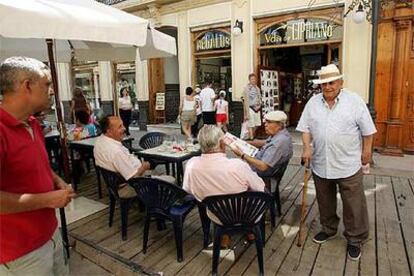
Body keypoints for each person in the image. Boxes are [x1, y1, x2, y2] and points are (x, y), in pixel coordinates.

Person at [0, 56, 75, 275]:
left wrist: (56, 179)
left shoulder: (32, 122)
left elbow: (37, 163)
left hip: (50, 233)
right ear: (27, 85)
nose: (51, 91)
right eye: (47, 84)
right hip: (20, 252)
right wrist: (48, 199)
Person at [296, 64, 376, 261]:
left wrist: (367, 151)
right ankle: (329, 228)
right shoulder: (313, 103)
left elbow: (368, 130)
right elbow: (305, 128)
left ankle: (356, 238)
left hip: (348, 164)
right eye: (324, 83)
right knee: (325, 201)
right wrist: (306, 147)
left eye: (331, 82)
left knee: (354, 204)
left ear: (340, 82)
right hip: (321, 164)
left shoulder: (354, 101)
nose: (328, 87)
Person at [183, 125, 265, 246]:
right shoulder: (237, 165)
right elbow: (260, 188)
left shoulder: (191, 164)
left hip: (216, 214)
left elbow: (189, 190)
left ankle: (225, 235)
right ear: (222, 144)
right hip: (244, 214)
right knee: (248, 190)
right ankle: (249, 231)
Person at [94, 116, 174, 198]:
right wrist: (143, 167)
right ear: (109, 131)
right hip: (128, 186)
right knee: (171, 180)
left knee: (157, 172)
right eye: (120, 127)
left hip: (115, 182)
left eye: (123, 125)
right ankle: (160, 204)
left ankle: (154, 196)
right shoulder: (116, 152)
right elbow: (133, 178)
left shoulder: (100, 141)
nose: (124, 128)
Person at [230, 111, 293, 182]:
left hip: (260, 173)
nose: (265, 125)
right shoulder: (281, 134)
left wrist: (242, 154)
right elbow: (265, 143)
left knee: (229, 170)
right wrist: (243, 142)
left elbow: (263, 166)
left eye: (269, 122)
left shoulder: (279, 142)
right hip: (261, 165)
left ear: (279, 125)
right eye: (265, 122)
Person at [243, 73, 262, 140]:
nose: (253, 80)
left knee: (257, 124)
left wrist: (260, 103)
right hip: (250, 108)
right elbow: (245, 101)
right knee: (251, 123)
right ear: (249, 80)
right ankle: (251, 137)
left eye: (254, 79)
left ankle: (250, 135)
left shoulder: (257, 88)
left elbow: (259, 97)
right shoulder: (246, 88)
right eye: (252, 79)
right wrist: (245, 113)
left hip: (257, 108)